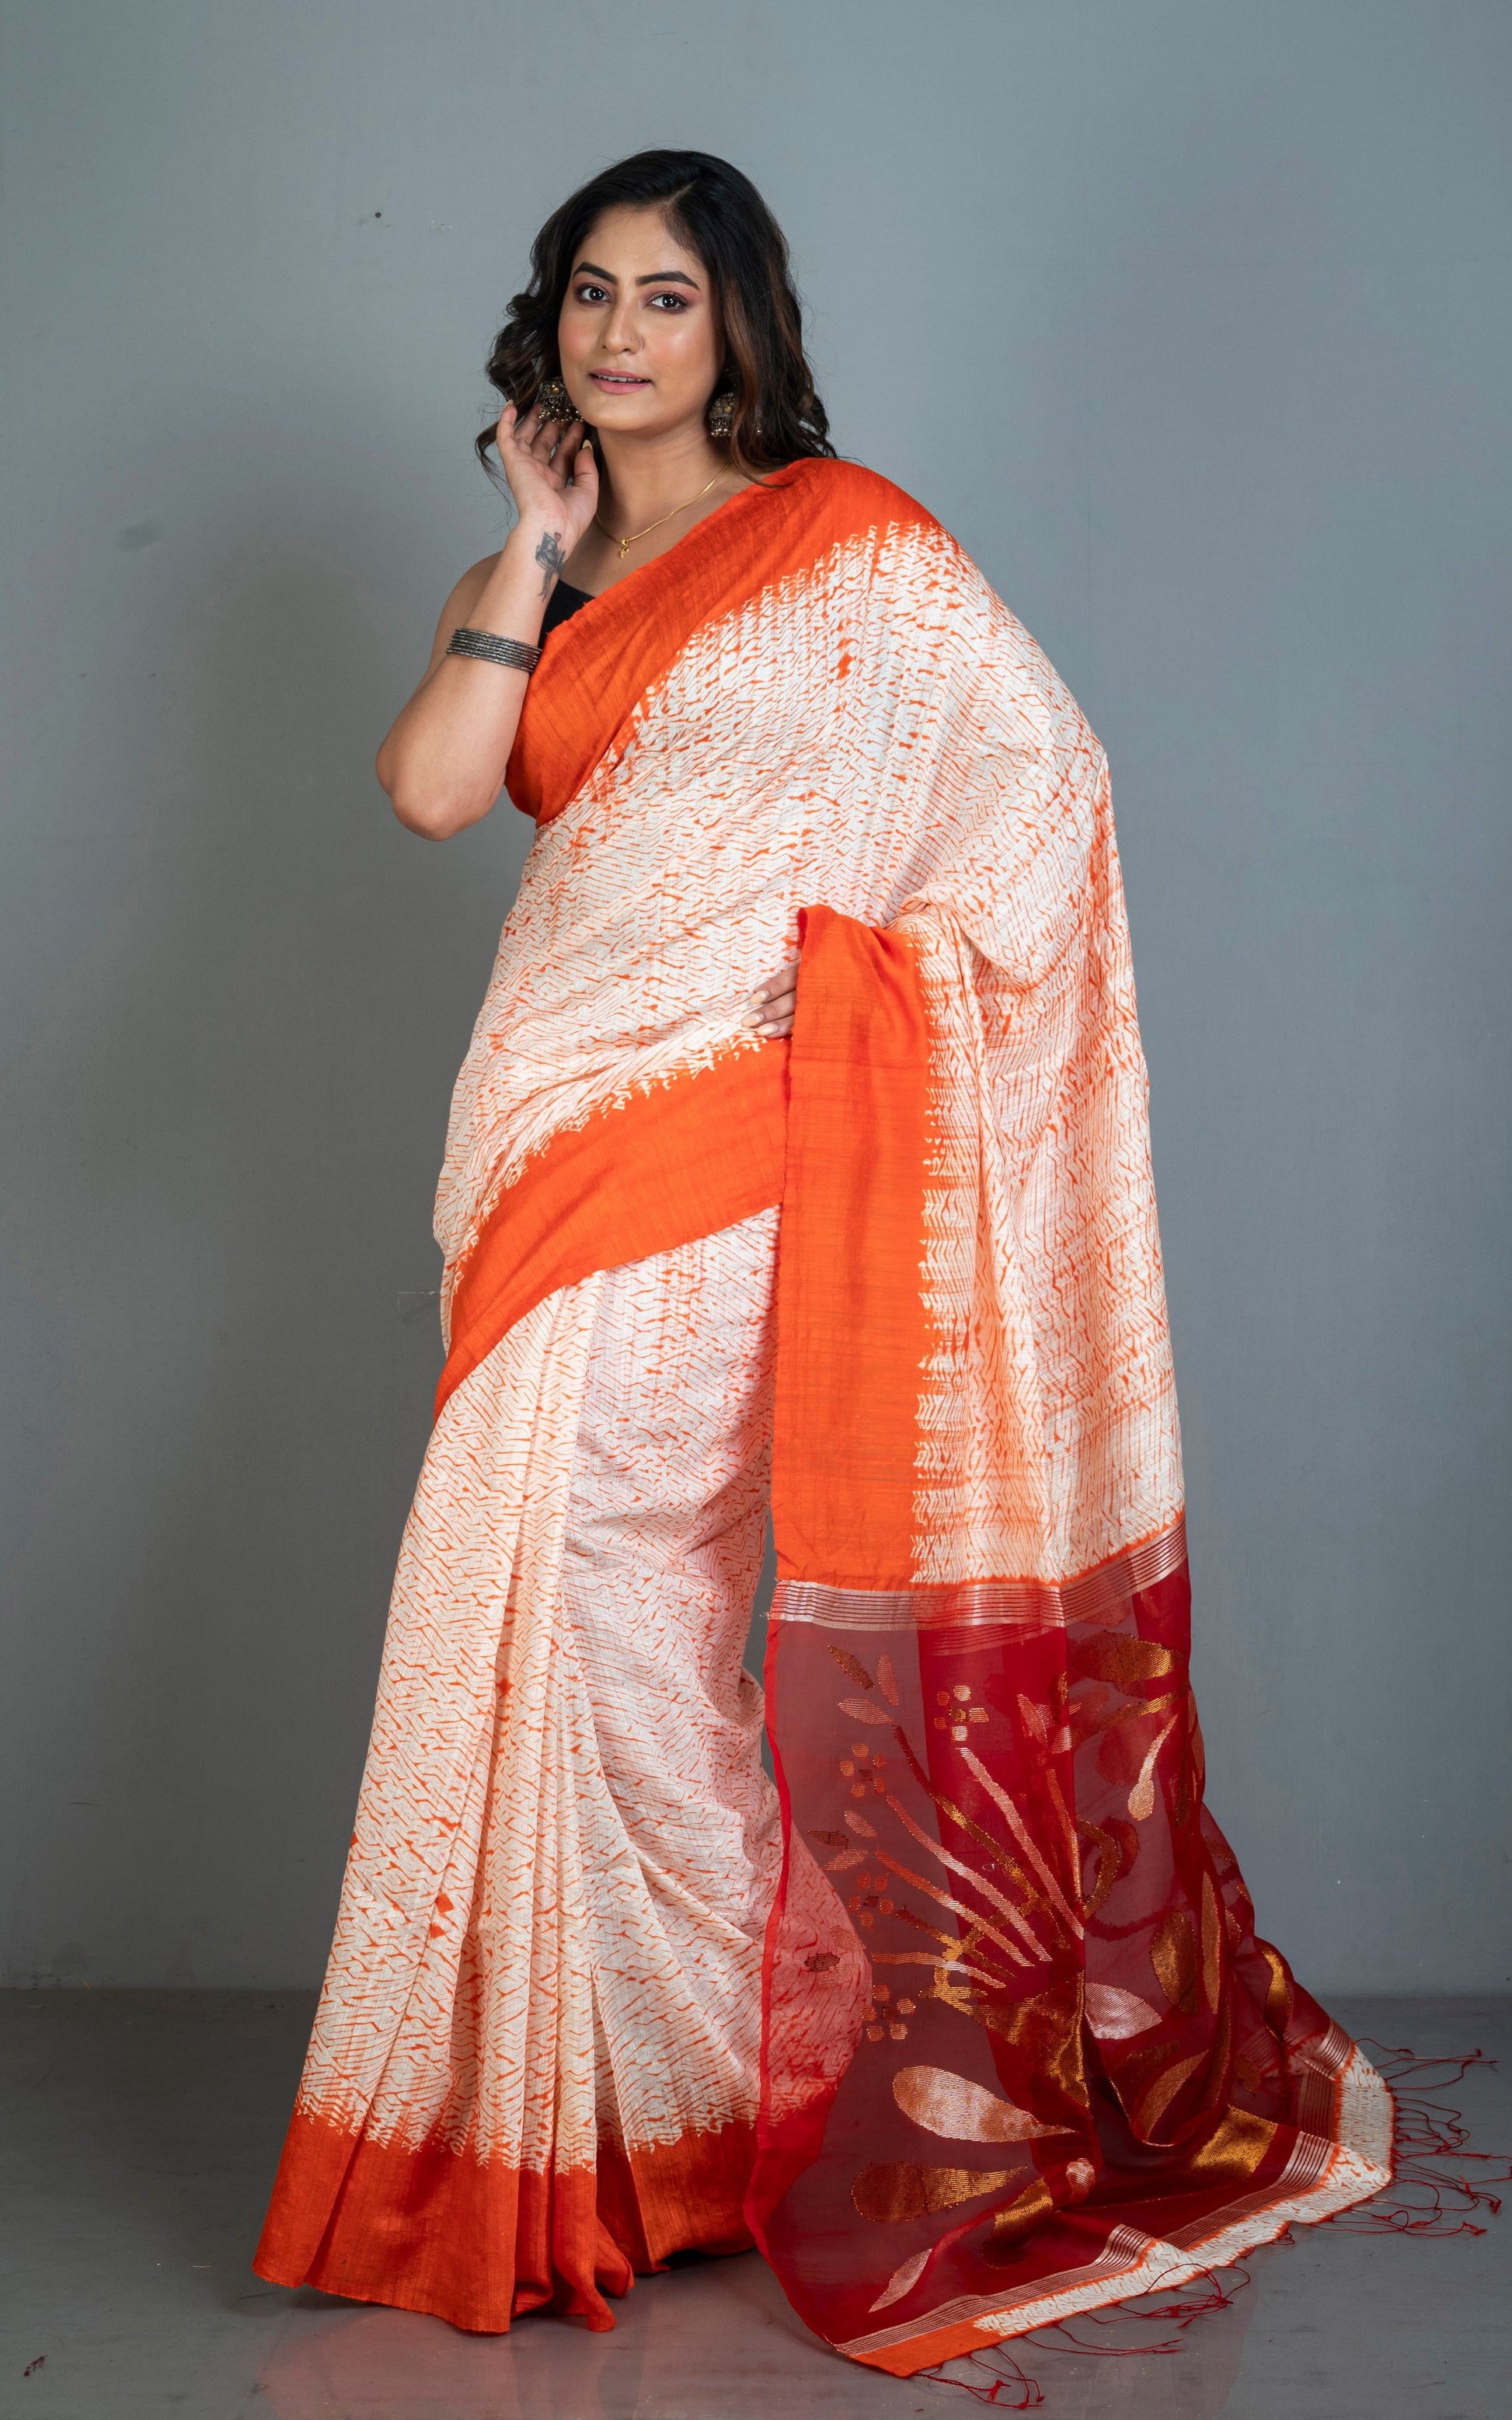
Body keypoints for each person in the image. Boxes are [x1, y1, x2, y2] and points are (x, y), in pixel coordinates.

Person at [254, 148, 1390, 2379]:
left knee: (611, 1608)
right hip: (535, 1141)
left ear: (740, 325)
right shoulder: (541, 574)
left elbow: (1043, 794)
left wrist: (849, 1014)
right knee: (559, 1636)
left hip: (725, 1153)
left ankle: (712, 2112)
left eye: (667, 298)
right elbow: (430, 790)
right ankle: (626, 2128)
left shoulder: (850, 548)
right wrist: (529, 545)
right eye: (590, 294)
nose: (620, 335)